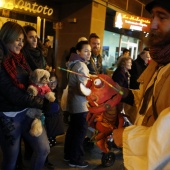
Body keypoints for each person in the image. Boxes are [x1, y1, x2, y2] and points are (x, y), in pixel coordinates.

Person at [112, 1, 170, 169]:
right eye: (153, 17)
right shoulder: (159, 63)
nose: (152, 24)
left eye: (162, 17)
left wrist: (126, 137)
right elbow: (148, 103)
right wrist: (123, 93)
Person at [0, 21, 50, 170]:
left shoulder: (20, 58)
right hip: (8, 117)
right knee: (11, 161)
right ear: (8, 37)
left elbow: (30, 80)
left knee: (43, 149)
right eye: (18, 39)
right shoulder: (1, 61)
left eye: (22, 40)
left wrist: (44, 85)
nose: (21, 44)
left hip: (26, 112)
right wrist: (40, 103)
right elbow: (12, 93)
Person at [64, 40, 91, 168]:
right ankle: (76, 159)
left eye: (90, 51)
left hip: (74, 104)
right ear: (78, 52)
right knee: (80, 133)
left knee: (72, 131)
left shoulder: (73, 64)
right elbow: (84, 87)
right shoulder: (81, 65)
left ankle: (68, 155)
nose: (89, 53)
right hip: (81, 105)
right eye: (86, 51)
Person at [43, 71, 64, 169]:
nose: (53, 84)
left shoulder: (56, 92)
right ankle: (44, 162)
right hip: (46, 123)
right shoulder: (44, 93)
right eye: (50, 81)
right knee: (45, 146)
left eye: (55, 81)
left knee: (50, 144)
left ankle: (45, 161)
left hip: (52, 123)